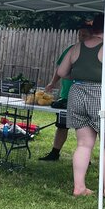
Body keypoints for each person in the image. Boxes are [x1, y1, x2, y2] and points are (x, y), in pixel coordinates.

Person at [56, 15, 105, 199]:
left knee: (83, 144)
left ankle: (79, 187)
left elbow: (61, 72)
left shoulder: (76, 48)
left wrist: (82, 75)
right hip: (103, 95)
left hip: (77, 94)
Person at [39, 28, 90, 161]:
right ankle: (55, 153)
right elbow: (59, 68)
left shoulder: (94, 53)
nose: (81, 37)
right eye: (79, 34)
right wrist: (52, 83)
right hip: (66, 95)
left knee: (83, 128)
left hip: (84, 96)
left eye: (84, 34)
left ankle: (84, 157)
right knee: (62, 125)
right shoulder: (71, 49)